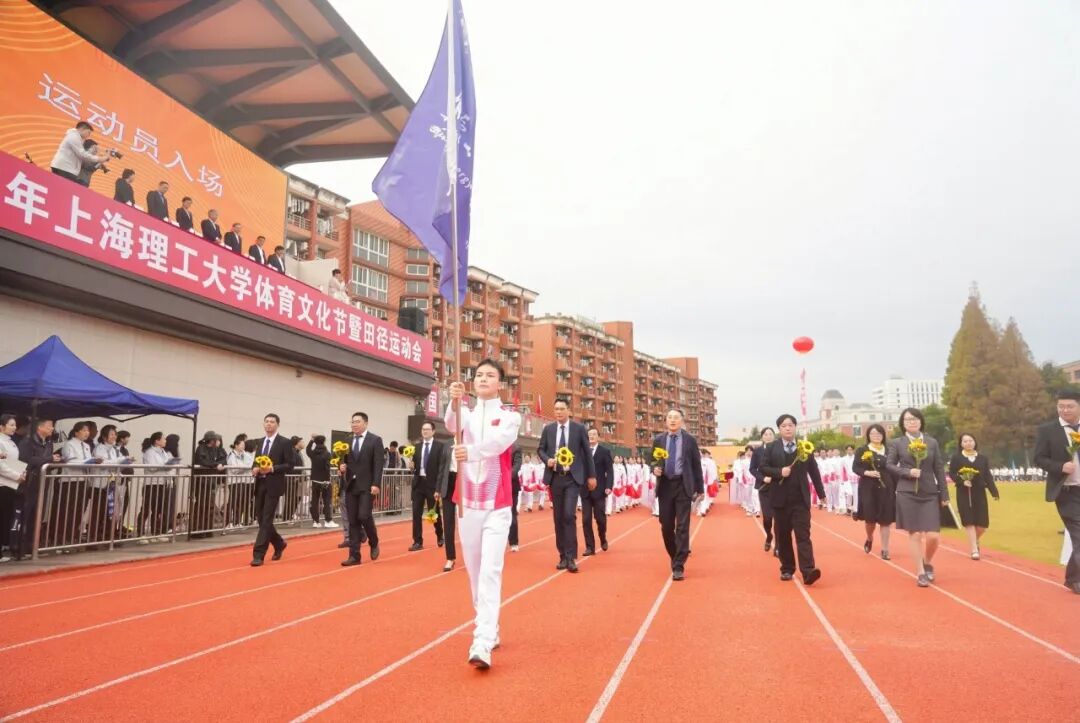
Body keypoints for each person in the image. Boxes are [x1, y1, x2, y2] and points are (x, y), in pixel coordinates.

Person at [444, 358, 521, 669]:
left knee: (491, 569)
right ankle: (488, 624)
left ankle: (483, 639)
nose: (483, 379)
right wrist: (453, 401)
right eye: (478, 375)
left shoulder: (510, 417)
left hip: (496, 504)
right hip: (467, 502)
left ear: (499, 383)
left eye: (490, 375)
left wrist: (472, 452)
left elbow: (499, 443)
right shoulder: (466, 413)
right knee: (474, 571)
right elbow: (451, 425)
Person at [886, 407, 948, 588]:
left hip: (929, 492)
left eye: (915, 419)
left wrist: (944, 494)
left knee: (933, 536)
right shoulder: (897, 443)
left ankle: (927, 562)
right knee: (914, 534)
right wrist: (907, 472)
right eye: (907, 419)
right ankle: (921, 572)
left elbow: (939, 469)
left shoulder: (931, 442)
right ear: (903, 423)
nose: (911, 422)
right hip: (907, 492)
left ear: (921, 421)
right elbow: (889, 465)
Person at [759, 414, 825, 585]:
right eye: (784, 426)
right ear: (779, 429)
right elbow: (763, 468)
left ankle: (808, 571)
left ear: (795, 427)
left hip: (800, 500)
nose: (787, 428)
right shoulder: (771, 447)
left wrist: (821, 494)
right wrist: (779, 472)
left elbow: (814, 472)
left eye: (790, 425)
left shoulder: (805, 447)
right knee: (783, 536)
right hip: (780, 501)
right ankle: (787, 568)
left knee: (803, 535)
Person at [538, 398, 596, 573]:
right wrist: (547, 460)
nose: (558, 412)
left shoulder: (579, 429)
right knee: (558, 518)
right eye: (556, 409)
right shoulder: (548, 429)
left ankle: (571, 557)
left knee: (569, 515)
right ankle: (562, 556)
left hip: (572, 478)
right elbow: (540, 449)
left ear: (568, 410)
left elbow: (587, 454)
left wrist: (592, 476)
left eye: (562, 409)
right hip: (555, 478)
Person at [1033, 389, 1080, 594]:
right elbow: (1039, 458)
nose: (1065, 410)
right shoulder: (1047, 430)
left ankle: (1072, 578)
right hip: (1067, 492)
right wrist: (1060, 466)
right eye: (1061, 406)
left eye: (1070, 406)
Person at [651, 410, 704, 581]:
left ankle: (679, 565)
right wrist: (654, 468)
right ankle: (676, 555)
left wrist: (700, 489)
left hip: (683, 485)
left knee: (682, 526)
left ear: (681, 421)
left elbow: (696, 465)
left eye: (676, 418)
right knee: (666, 526)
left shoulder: (689, 440)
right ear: (665, 421)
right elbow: (652, 460)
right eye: (670, 418)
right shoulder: (659, 440)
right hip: (665, 486)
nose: (673, 420)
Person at [338, 412, 383, 566]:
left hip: (367, 485)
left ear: (365, 423)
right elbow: (343, 461)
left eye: (357, 421)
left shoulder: (375, 440)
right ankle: (354, 556)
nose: (354, 424)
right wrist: (341, 467)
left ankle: (374, 541)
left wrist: (376, 484)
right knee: (353, 521)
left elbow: (378, 464)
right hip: (351, 485)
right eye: (352, 422)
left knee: (363, 515)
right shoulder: (347, 440)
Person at [947, 433, 999, 560]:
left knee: (982, 525)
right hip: (964, 493)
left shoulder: (982, 458)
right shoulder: (957, 458)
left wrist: (994, 491)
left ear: (975, 442)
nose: (968, 443)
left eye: (970, 440)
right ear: (961, 444)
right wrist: (962, 481)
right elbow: (952, 473)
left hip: (979, 492)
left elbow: (987, 475)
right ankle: (974, 549)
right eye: (965, 441)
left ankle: (974, 540)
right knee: (969, 521)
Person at [250, 413, 293, 567]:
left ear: (277, 424)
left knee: (267, 519)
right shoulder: (261, 442)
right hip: (260, 484)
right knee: (262, 519)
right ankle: (279, 543)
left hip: (274, 485)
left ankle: (258, 554)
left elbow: (290, 465)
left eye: (272, 422)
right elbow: (256, 461)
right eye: (266, 421)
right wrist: (255, 468)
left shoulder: (285, 442)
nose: (269, 424)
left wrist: (272, 468)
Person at [14, 419, 60, 559]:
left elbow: (46, 461)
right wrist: (49, 459)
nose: (52, 429)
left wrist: (55, 460)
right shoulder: (28, 442)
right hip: (28, 482)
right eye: (49, 426)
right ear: (40, 427)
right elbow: (26, 460)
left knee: (37, 515)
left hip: (42, 482)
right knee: (24, 515)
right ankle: (18, 547)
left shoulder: (49, 443)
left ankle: (31, 546)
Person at [852, 424, 895, 560]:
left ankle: (885, 549)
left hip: (886, 487)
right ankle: (870, 537)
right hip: (868, 487)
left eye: (879, 434)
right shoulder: (862, 450)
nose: (876, 436)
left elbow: (894, 469)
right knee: (870, 520)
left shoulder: (890, 450)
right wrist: (867, 472)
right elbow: (855, 467)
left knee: (886, 520)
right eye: (873, 434)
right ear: (868, 435)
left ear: (883, 435)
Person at [410, 421, 445, 551]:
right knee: (416, 513)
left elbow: (441, 468)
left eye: (427, 429)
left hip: (432, 484)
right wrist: (412, 467)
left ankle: (440, 535)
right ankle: (417, 541)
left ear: (433, 431)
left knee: (434, 513)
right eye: (423, 429)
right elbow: (415, 466)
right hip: (418, 483)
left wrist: (439, 488)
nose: (424, 431)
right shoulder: (417, 447)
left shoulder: (439, 446)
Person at [581, 428, 613, 556]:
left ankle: (602, 537)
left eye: (594, 434)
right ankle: (590, 547)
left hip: (600, 490)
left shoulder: (604, 451)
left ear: (598, 437)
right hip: (585, 490)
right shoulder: (582, 451)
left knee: (600, 518)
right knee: (586, 520)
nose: (591, 436)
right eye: (589, 435)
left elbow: (609, 471)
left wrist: (609, 486)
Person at [192, 431, 227, 539]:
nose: (216, 442)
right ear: (210, 440)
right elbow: (202, 461)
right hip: (201, 482)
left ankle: (208, 529)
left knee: (210, 506)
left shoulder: (216, 449)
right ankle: (198, 530)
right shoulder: (201, 448)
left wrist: (220, 463)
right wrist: (216, 464)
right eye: (215, 440)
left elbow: (224, 458)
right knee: (201, 506)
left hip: (211, 481)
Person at [139, 432, 174, 542]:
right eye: (163, 439)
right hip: (151, 484)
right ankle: (140, 534)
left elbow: (167, 467)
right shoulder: (149, 452)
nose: (165, 441)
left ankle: (156, 533)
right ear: (157, 441)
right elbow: (152, 467)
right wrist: (165, 466)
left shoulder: (164, 452)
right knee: (146, 509)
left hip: (162, 483)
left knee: (158, 509)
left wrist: (169, 465)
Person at [749, 427, 776, 554]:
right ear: (762, 437)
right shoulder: (757, 451)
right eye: (766, 434)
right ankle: (769, 536)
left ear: (774, 436)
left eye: (770, 434)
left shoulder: (779, 450)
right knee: (767, 518)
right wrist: (763, 478)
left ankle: (778, 546)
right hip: (764, 488)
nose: (768, 436)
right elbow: (752, 469)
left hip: (778, 487)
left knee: (779, 519)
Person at [0, 415, 24, 559]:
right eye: (11, 425)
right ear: (1, 427)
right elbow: (1, 466)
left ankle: (3, 546)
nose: (14, 427)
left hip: (10, 484)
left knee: (5, 517)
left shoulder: (11, 442)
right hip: (2, 483)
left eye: (15, 425)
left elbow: (13, 461)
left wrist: (21, 473)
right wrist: (16, 475)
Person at [434, 438, 456, 572]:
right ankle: (450, 557)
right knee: (448, 522)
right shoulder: (447, 444)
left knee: (469, 523)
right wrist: (437, 489)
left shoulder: (472, 441)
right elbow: (442, 468)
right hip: (448, 485)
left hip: (465, 484)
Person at [307, 435, 335, 528]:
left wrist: (311, 440)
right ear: (324, 441)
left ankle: (316, 521)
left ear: (315, 442)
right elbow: (327, 468)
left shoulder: (312, 453)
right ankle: (328, 520)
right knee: (327, 501)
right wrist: (327, 480)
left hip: (315, 480)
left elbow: (307, 449)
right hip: (325, 481)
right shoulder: (327, 454)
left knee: (315, 501)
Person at [227, 434, 254, 528]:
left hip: (243, 481)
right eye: (241, 445)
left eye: (244, 445)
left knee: (241, 502)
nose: (243, 447)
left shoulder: (245, 454)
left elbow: (251, 464)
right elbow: (235, 469)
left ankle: (237, 521)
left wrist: (244, 467)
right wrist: (245, 467)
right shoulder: (231, 455)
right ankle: (229, 522)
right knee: (233, 502)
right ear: (236, 445)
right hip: (234, 482)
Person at [507, 446, 523, 551]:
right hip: (496, 486)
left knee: (511, 513)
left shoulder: (516, 448)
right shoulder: (496, 446)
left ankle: (513, 542)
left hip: (511, 485)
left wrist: (505, 477)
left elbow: (517, 466)